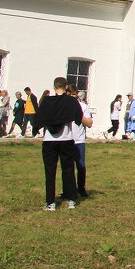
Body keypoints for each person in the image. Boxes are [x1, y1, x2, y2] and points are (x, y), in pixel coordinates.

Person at [34, 76, 83, 210]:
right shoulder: (70, 101)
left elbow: (37, 118)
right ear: (66, 87)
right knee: (68, 169)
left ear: (54, 87)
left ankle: (51, 202)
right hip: (66, 139)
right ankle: (72, 199)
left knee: (50, 171)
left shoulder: (46, 101)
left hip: (49, 140)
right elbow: (78, 117)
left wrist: (36, 128)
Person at [68, 86, 94, 197]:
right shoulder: (64, 106)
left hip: (79, 140)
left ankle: (81, 188)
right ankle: (68, 189)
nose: (72, 97)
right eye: (70, 95)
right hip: (67, 139)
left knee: (81, 165)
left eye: (74, 95)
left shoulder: (83, 107)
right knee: (68, 167)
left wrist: (79, 115)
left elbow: (89, 123)